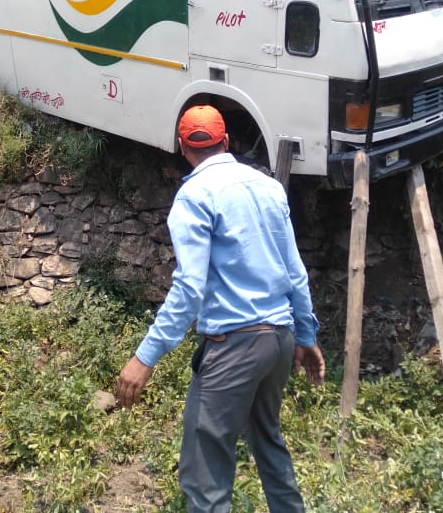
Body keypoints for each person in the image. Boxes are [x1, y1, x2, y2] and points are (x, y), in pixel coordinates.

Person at [116, 105, 325, 512]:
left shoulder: (193, 196)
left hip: (235, 347)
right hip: (279, 341)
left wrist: (145, 357)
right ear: (226, 141)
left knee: (205, 472)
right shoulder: (268, 188)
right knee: (269, 445)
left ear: (182, 147)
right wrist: (305, 335)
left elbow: (190, 287)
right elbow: (295, 271)